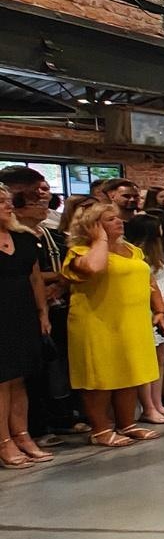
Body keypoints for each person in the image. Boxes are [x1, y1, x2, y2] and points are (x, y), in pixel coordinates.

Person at [63, 201, 163, 443]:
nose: (119, 221)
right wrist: (100, 240)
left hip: (132, 321)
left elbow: (148, 280)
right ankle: (100, 430)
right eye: (109, 219)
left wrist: (159, 309)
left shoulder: (132, 250)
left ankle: (127, 423)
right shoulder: (81, 251)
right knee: (100, 377)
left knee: (129, 372)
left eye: (118, 218)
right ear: (92, 226)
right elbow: (94, 268)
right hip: (98, 321)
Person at [0, 186, 51, 467]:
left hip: (22, 311)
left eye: (8, 200)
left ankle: (22, 434)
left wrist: (42, 313)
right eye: (0, 201)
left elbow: (35, 280)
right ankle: (3, 440)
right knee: (1, 381)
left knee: (19, 378)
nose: (7, 205)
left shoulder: (24, 238)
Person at [126, 215, 164, 425]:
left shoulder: (155, 253)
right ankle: (148, 407)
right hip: (151, 308)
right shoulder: (136, 255)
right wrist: (158, 305)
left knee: (160, 361)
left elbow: (163, 279)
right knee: (148, 361)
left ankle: (158, 403)